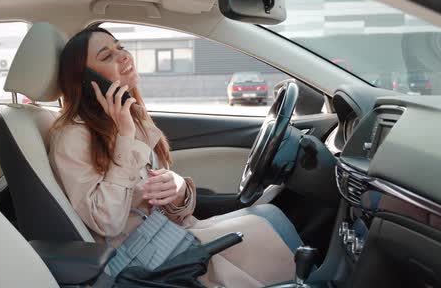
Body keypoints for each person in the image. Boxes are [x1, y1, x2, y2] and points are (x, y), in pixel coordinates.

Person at [48, 27, 302, 287]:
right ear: (86, 80)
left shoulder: (128, 118)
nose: (123, 56)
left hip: (170, 234)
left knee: (270, 218)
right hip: (145, 260)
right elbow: (107, 222)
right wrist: (125, 137)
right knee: (270, 234)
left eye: (119, 47)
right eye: (106, 56)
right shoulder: (73, 136)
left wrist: (178, 189)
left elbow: (157, 201)